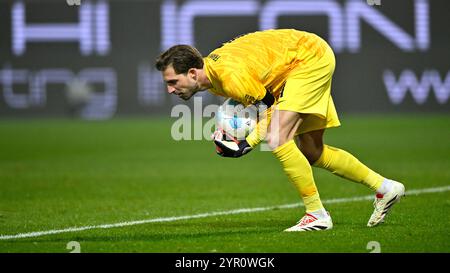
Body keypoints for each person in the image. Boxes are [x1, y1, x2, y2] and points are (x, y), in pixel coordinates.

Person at [155, 29, 405, 231]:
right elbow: (255, 104)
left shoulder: (229, 77)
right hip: (296, 63)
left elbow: (269, 109)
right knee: (312, 152)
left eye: (172, 82)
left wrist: (246, 143)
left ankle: (316, 214)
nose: (170, 90)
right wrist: (226, 134)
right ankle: (384, 187)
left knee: (277, 137)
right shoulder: (214, 76)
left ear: (192, 73)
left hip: (307, 60)